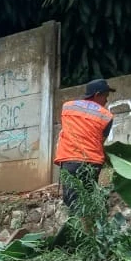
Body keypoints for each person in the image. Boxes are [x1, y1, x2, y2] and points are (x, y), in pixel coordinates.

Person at [54, 78, 115, 208]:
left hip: (70, 160)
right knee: (87, 199)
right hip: (92, 163)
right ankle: (88, 225)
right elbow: (101, 141)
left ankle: (77, 226)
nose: (106, 100)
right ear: (97, 95)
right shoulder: (107, 116)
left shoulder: (68, 107)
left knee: (72, 202)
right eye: (105, 96)